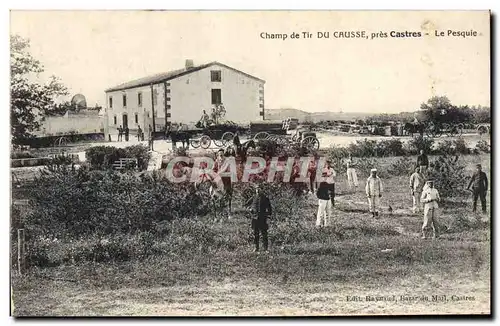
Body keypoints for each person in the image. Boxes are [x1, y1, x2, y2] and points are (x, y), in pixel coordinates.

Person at [247, 184, 272, 253]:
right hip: (255, 218)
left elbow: (269, 209)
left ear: (262, 190)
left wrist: (268, 218)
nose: (257, 190)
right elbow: (247, 204)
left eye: (259, 189)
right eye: (256, 189)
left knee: (264, 234)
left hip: (263, 218)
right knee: (255, 234)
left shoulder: (265, 198)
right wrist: (250, 209)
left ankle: (266, 249)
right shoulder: (253, 197)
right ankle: (256, 248)